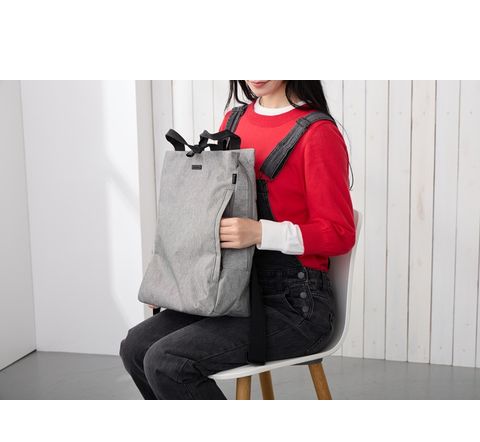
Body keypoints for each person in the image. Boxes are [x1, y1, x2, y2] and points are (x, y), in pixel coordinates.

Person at [119, 80, 356, 400]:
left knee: (168, 362)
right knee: (135, 348)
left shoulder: (318, 133)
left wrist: (260, 232)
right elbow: (210, 213)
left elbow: (339, 233)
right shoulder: (234, 121)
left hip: (296, 306)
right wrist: (174, 280)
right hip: (230, 291)